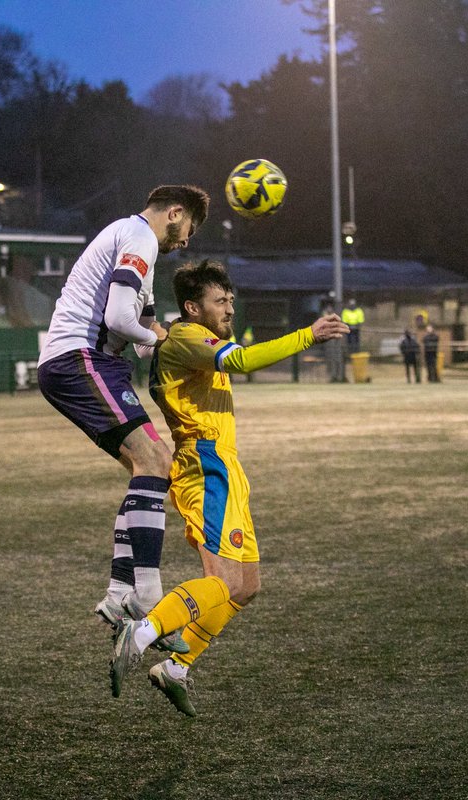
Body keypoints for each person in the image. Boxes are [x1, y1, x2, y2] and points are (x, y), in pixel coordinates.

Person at [110, 259, 349, 713]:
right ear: (191, 307)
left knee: (246, 585)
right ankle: (140, 633)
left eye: (231, 300)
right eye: (220, 301)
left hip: (226, 467)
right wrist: (307, 334)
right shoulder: (185, 338)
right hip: (203, 466)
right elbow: (239, 359)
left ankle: (176, 667)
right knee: (220, 583)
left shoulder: (188, 336)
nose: (229, 308)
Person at [36, 183, 210, 656]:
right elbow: (117, 320)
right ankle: (148, 597)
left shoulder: (138, 247)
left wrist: (168, 338)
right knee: (153, 460)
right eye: (189, 228)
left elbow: (141, 330)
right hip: (81, 358)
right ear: (175, 213)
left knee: (154, 465)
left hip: (89, 362)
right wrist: (163, 341)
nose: (188, 241)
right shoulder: (140, 238)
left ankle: (119, 596)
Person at [321, 303, 347, 383]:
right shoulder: (324, 318)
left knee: (339, 358)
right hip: (330, 339)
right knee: (332, 359)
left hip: (338, 339)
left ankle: (340, 376)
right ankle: (333, 376)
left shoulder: (338, 317)